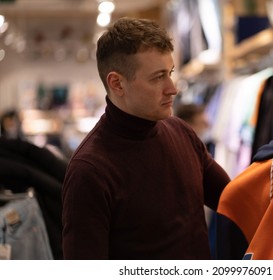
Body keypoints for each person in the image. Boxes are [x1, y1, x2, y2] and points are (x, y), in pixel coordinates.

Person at [61, 17, 231, 260]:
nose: (172, 88)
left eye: (170, 73)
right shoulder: (90, 170)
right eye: (158, 77)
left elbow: (232, 198)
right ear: (117, 83)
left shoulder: (181, 133)